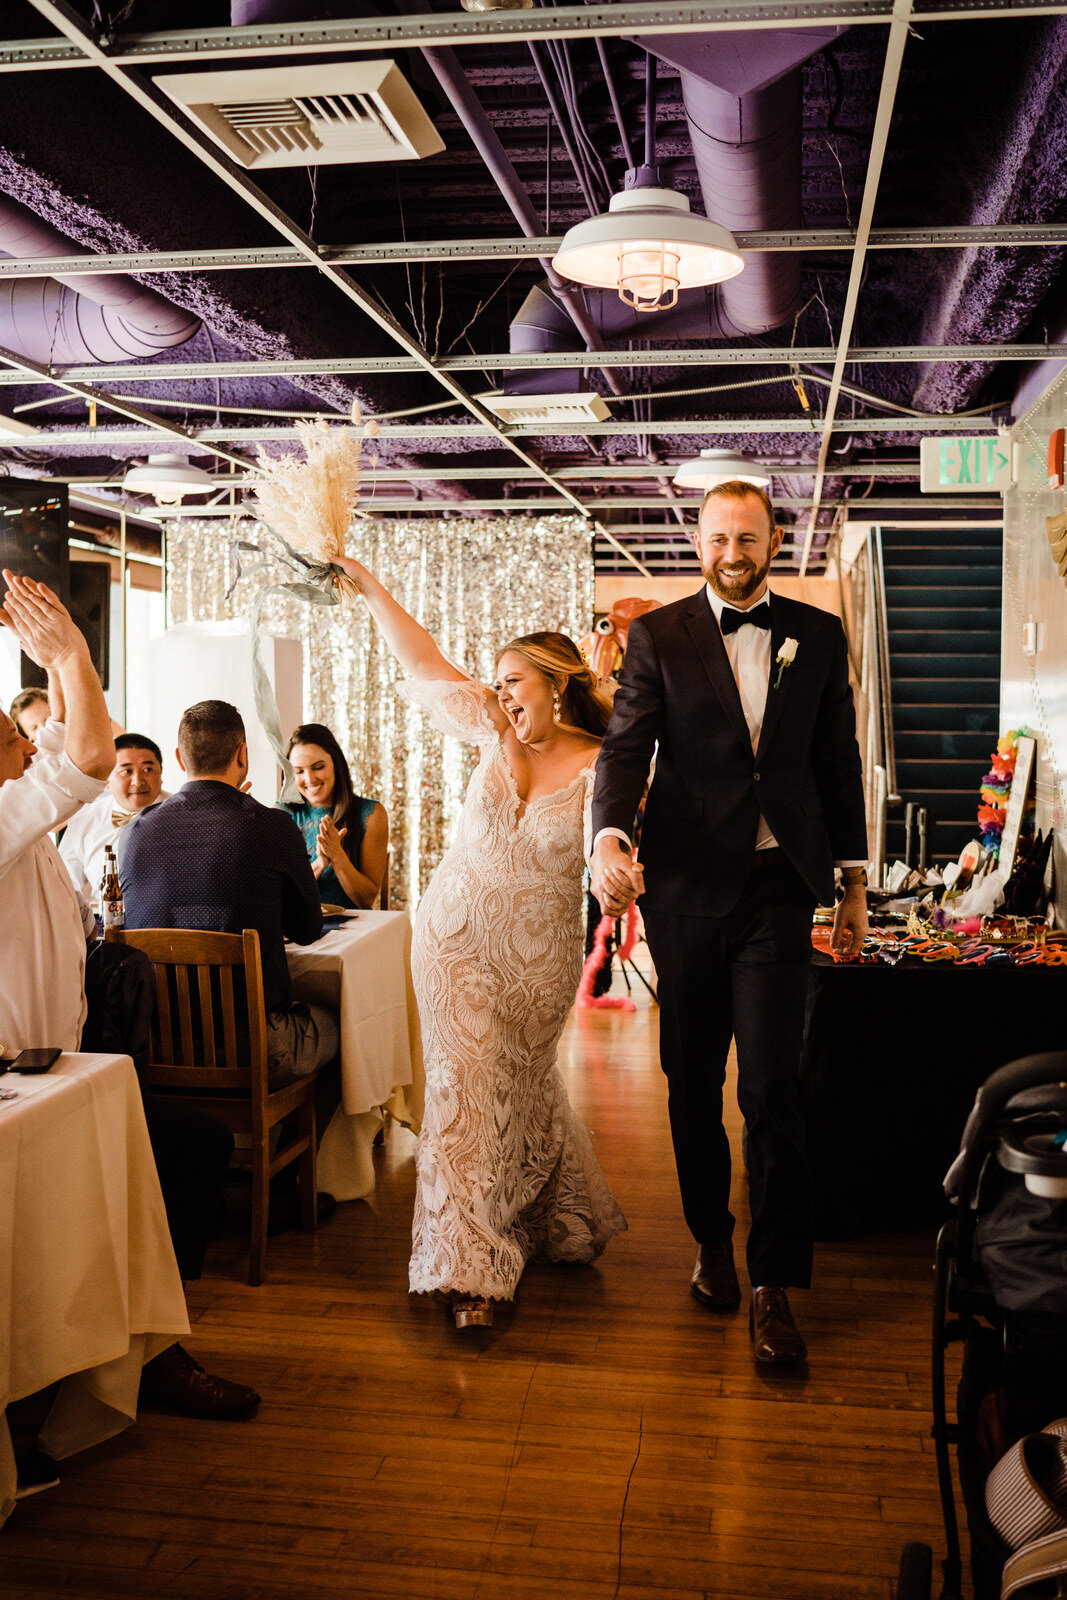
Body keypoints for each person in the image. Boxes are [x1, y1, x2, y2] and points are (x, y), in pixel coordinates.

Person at [589, 481, 868, 1367]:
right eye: (718, 537)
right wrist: (606, 836)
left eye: (748, 537)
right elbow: (625, 744)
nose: (732, 551)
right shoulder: (659, 635)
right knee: (689, 1077)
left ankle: (771, 1283)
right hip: (683, 890)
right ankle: (709, 1236)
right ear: (698, 540)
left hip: (777, 888)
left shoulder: (816, 634)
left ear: (774, 540)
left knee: (772, 1088)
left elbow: (835, 758)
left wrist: (851, 881)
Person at [331, 554, 626, 1330]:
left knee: (518, 1087)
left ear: (555, 684)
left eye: (511, 682)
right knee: (463, 1096)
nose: (498, 695)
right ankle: (471, 1272)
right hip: (452, 940)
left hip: (539, 958)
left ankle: (550, 1212)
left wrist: (619, 873)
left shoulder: (608, 766)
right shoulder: (491, 731)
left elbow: (614, 842)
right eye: (494, 682)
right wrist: (369, 582)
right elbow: (422, 659)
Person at [0, 573, 259, 1445]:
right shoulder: (5, 823)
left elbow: (69, 756)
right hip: (19, 1082)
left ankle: (148, 1343)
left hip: (67, 1071)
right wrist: (69, 653)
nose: (22, 740)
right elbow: (86, 758)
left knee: (189, 1152)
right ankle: (123, 1360)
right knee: (176, 1157)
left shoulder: (28, 829)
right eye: (9, 735)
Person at [119, 699, 338, 1093]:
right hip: (250, 1046)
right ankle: (297, 1149)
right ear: (242, 754)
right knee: (340, 1024)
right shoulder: (271, 825)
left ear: (179, 760)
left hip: (158, 1046)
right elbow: (307, 929)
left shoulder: (136, 831)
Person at [281, 723, 388, 910]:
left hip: (355, 930)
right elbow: (280, 895)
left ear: (335, 765)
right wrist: (320, 863)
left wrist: (338, 857)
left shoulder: (371, 814)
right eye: (299, 771)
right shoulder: (281, 815)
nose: (309, 779)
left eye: (318, 767)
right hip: (299, 932)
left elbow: (365, 900)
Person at [60, 733, 168, 907]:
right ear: (107, 780)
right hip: (104, 926)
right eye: (126, 771)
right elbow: (66, 887)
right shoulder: (83, 821)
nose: (137, 781)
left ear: (161, 774)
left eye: (148, 770)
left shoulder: (186, 815)